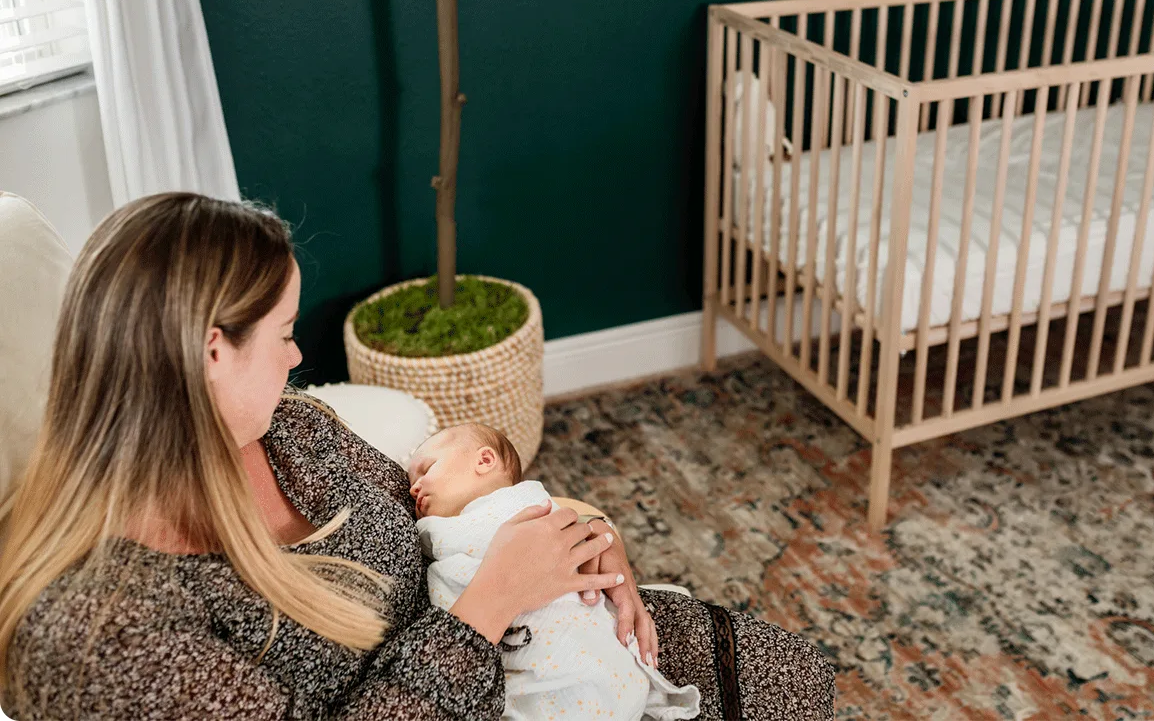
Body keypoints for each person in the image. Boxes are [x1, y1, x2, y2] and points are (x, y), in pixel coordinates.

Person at [0, 193, 835, 720]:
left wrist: (570, 528)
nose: (298, 364)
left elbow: (431, 507)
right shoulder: (98, 629)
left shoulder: (291, 430)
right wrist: (487, 607)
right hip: (468, 668)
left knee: (795, 678)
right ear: (210, 352)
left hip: (527, 650)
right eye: (286, 337)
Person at [410, 423, 700, 720]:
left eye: (427, 469)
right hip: (546, 680)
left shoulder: (524, 503)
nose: (413, 487)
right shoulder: (445, 527)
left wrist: (600, 532)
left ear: (484, 461)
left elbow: (568, 522)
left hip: (592, 655)